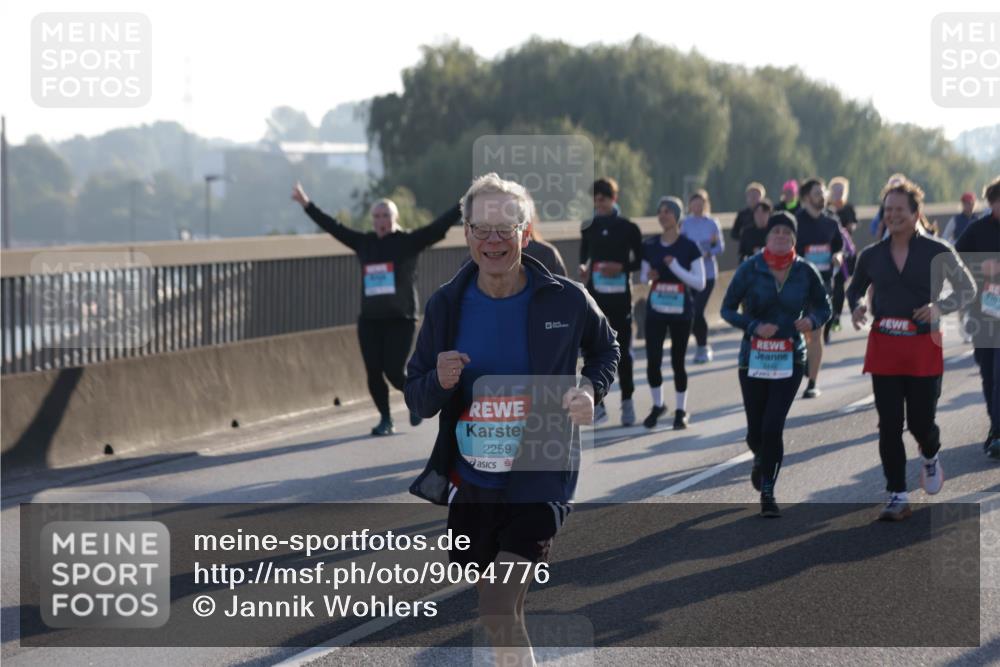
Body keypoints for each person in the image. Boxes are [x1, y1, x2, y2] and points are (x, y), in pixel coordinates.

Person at [405, 173, 619, 666]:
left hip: (541, 472)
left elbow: (607, 347)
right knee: (505, 613)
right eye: (481, 228)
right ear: (467, 233)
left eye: (506, 229)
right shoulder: (447, 305)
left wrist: (591, 387)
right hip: (473, 481)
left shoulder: (565, 298)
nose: (493, 240)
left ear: (526, 234)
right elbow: (418, 399)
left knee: (497, 605)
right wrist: (437, 380)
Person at [848, 181, 976, 521]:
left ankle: (930, 455)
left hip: (923, 347)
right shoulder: (871, 255)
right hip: (885, 347)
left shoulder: (937, 250)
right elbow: (855, 290)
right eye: (887, 210)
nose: (892, 216)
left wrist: (940, 307)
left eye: (899, 210)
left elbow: (967, 288)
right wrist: (859, 306)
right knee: (889, 424)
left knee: (921, 423)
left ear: (916, 213)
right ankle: (897, 494)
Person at [292, 182, 460, 436]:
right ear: (372, 220)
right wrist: (306, 204)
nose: (381, 220)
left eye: (386, 215)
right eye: (377, 216)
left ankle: (416, 400)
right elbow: (334, 228)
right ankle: (385, 419)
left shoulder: (408, 242)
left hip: (400, 318)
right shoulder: (365, 243)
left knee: (393, 371)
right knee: (373, 371)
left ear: (395, 218)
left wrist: (463, 205)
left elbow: (438, 227)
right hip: (370, 320)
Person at [721, 211, 831, 517]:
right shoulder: (750, 268)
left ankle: (768, 491)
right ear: (766, 237)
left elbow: (825, 306)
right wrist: (753, 325)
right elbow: (727, 309)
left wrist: (811, 320)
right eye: (776, 232)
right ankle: (760, 457)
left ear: (794, 238)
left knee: (773, 426)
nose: (781, 236)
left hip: (790, 358)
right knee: (755, 432)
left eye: (787, 232)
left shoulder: (806, 271)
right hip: (752, 359)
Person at [579, 177, 643, 425]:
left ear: (613, 199)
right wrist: (584, 267)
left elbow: (639, 260)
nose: (598, 204)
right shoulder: (589, 226)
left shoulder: (628, 227)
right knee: (593, 351)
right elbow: (585, 255)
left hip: (620, 299)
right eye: (595, 200)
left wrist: (621, 267)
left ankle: (627, 402)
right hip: (595, 298)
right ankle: (599, 404)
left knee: (623, 352)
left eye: (602, 199)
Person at [640, 196, 706, 429]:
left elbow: (699, 283)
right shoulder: (649, 245)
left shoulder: (689, 247)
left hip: (681, 311)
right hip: (656, 309)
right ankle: (658, 405)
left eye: (667, 211)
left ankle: (681, 410)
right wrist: (649, 277)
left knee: (678, 361)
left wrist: (675, 267)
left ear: (677, 216)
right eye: (660, 211)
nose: (662, 215)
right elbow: (643, 276)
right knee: (653, 360)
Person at [955, 177, 1000, 459]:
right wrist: (979, 267)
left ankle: (997, 431)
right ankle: (995, 425)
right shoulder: (976, 230)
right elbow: (954, 262)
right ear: (992, 203)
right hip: (984, 310)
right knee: (987, 371)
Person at [794, 178, 844, 397]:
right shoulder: (794, 223)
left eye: (823, 192)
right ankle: (803, 361)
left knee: (816, 333)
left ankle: (812, 383)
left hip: (822, 284)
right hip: (796, 285)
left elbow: (840, 249)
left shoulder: (832, 222)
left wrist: (837, 257)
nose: (822, 196)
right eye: (817, 193)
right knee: (800, 332)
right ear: (806, 197)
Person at [681, 189, 725, 363]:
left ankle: (703, 347)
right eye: (695, 204)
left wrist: (707, 252)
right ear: (690, 205)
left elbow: (720, 247)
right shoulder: (685, 224)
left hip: (708, 274)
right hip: (690, 273)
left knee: (698, 310)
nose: (698, 207)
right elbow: (680, 245)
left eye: (701, 204)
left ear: (705, 205)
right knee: (691, 311)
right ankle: (696, 345)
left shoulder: (712, 223)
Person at [827, 177, 859, 336]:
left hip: (844, 252)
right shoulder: (826, 208)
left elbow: (853, 224)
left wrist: (847, 227)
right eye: (835, 189)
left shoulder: (848, 208)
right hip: (826, 252)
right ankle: (826, 315)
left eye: (841, 190)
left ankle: (836, 317)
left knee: (839, 285)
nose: (838, 192)